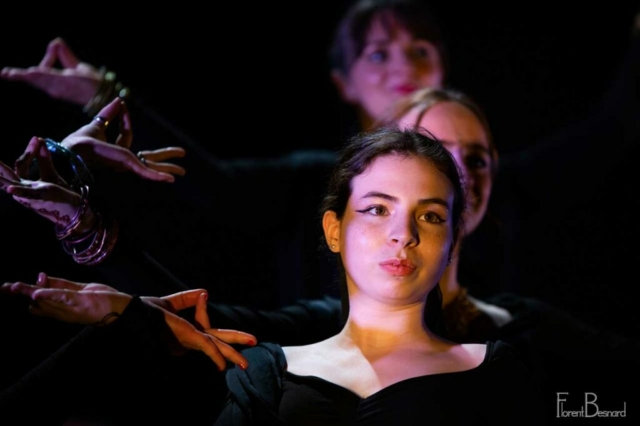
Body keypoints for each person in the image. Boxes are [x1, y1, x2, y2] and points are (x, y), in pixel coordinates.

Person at [1, 126, 544, 425]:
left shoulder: (496, 371)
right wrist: (123, 305)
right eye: (377, 209)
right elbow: (203, 320)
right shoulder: (265, 371)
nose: (403, 234)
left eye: (430, 216)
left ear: (453, 241)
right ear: (334, 229)